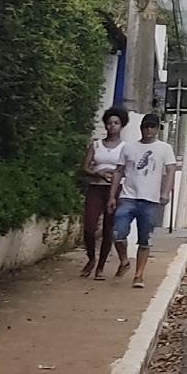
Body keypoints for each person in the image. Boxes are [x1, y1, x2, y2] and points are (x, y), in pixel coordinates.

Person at [107, 113, 179, 288]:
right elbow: (118, 171)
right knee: (117, 233)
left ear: (157, 129)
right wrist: (112, 196)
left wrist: (165, 192)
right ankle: (124, 260)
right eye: (146, 126)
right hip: (128, 196)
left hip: (151, 199)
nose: (148, 130)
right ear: (141, 128)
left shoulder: (165, 149)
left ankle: (139, 275)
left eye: (152, 127)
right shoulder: (129, 147)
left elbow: (170, 171)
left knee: (145, 239)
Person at [80, 109, 129, 277]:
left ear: (121, 126)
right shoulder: (96, 145)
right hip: (96, 187)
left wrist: (115, 173)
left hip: (114, 189)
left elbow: (127, 170)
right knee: (89, 227)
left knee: (109, 228)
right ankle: (91, 258)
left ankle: (100, 267)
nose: (112, 126)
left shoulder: (125, 148)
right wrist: (98, 172)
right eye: (109, 123)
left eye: (116, 123)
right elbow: (85, 167)